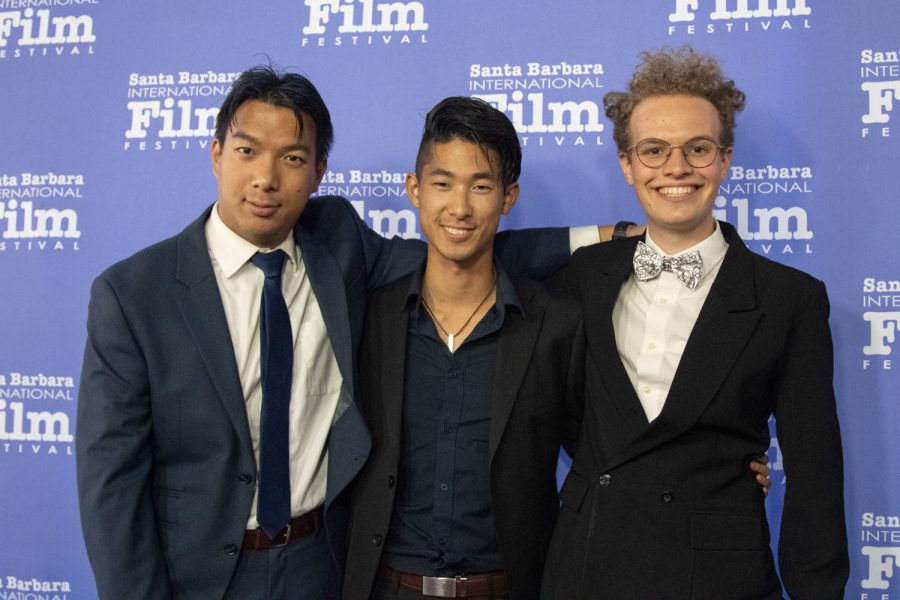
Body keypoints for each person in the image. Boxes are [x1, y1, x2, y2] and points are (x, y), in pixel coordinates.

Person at [75, 67, 572, 600]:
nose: (266, 178)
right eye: (247, 152)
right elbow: (112, 484)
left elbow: (459, 250)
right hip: (197, 577)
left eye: (291, 158)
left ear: (317, 173)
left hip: (324, 566)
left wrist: (612, 238)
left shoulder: (337, 247)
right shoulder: (133, 294)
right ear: (217, 153)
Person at [342, 97, 772, 600]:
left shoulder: (555, 324)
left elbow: (609, 452)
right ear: (415, 190)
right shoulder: (369, 318)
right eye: (442, 184)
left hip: (517, 586)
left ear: (507, 197)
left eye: (480, 186)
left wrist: (718, 467)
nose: (459, 207)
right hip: (384, 586)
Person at [541, 46, 849, 600]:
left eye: (698, 149)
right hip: (588, 563)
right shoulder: (582, 275)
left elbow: (815, 477)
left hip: (717, 576)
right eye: (653, 150)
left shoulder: (789, 299)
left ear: (725, 159)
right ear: (627, 165)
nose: (676, 168)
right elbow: (563, 411)